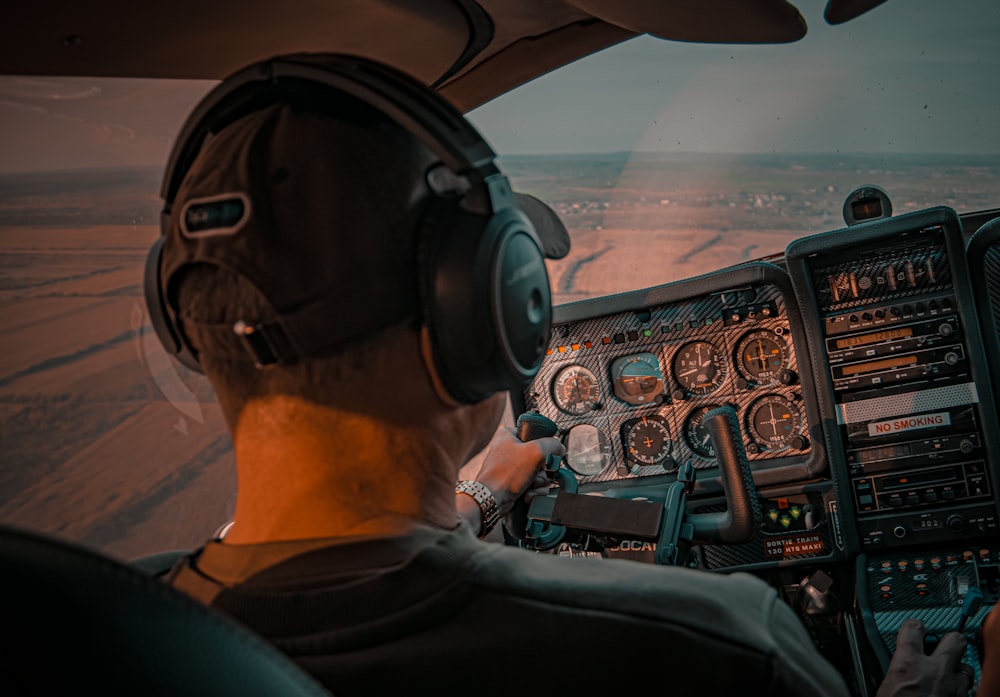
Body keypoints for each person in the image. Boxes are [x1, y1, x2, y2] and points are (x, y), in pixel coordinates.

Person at [149, 52, 979, 697]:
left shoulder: (109, 631)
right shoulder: (711, 645)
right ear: (484, 319)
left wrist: (477, 500)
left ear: (185, 331)